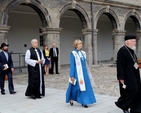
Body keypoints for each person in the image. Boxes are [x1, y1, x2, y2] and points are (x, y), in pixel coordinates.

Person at [66, 39, 96, 108]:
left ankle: (84, 101)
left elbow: (84, 64)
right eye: (79, 44)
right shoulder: (73, 53)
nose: (81, 45)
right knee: (75, 87)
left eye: (81, 43)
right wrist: (72, 75)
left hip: (84, 73)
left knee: (84, 87)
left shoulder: (83, 53)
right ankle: (71, 97)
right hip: (77, 73)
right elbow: (72, 65)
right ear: (76, 45)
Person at [115, 35, 141, 113]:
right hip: (127, 76)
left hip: (135, 75)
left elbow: (134, 62)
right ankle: (122, 104)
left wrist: (138, 66)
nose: (135, 43)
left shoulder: (132, 50)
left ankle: (135, 108)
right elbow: (120, 65)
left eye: (135, 41)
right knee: (132, 91)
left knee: (138, 91)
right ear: (127, 42)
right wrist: (121, 77)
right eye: (133, 41)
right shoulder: (122, 51)